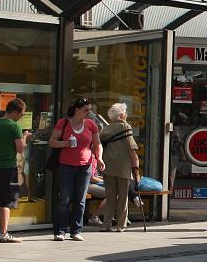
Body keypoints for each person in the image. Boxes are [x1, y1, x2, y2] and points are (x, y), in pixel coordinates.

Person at [49, 97, 104, 241]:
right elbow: (52, 142)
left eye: (90, 110)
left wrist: (99, 158)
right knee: (65, 199)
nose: (89, 112)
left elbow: (98, 144)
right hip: (66, 165)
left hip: (85, 165)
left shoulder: (91, 125)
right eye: (86, 110)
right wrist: (65, 144)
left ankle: (76, 230)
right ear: (77, 110)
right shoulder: (64, 122)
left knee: (80, 200)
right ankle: (60, 230)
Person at [0, 98, 27, 243]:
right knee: (5, 202)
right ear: (14, 112)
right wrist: (25, 137)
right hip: (7, 168)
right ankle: (3, 233)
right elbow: (20, 148)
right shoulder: (14, 127)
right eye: (21, 115)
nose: (21, 118)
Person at [100, 103, 139, 232]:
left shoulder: (105, 129)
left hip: (108, 165)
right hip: (123, 166)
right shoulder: (125, 126)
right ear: (122, 115)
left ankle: (106, 224)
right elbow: (131, 147)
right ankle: (121, 225)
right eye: (126, 113)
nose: (126, 115)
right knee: (123, 197)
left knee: (110, 196)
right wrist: (136, 165)